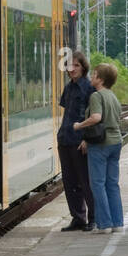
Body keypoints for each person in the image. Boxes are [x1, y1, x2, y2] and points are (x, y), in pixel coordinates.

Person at [74, 62, 123, 234]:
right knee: (112, 184)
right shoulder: (112, 96)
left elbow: (96, 118)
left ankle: (104, 224)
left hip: (101, 145)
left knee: (97, 184)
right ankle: (117, 223)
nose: (91, 77)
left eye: (94, 75)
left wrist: (79, 126)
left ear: (100, 79)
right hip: (116, 142)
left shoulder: (96, 96)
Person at [56, 50, 95, 232]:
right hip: (65, 139)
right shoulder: (69, 87)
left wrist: (87, 139)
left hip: (80, 141)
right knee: (70, 182)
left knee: (85, 181)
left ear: (83, 67)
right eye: (69, 65)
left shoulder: (89, 88)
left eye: (76, 65)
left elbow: (94, 116)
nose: (72, 69)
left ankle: (93, 218)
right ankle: (78, 217)